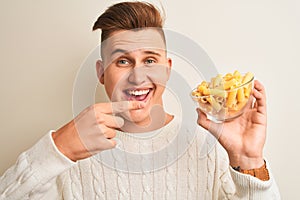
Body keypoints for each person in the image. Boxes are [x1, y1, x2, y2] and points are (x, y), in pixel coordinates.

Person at [0, 1, 280, 199]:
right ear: (101, 72)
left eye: (149, 59)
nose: (137, 76)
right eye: (123, 60)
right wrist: (59, 147)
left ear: (167, 69)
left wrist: (248, 159)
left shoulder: (209, 147)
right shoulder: (68, 153)